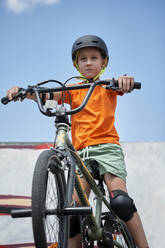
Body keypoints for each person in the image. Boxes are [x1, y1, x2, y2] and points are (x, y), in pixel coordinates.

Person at [6, 35, 149, 248]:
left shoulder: (107, 86)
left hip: (107, 148)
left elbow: (123, 85)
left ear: (104, 63)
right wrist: (25, 92)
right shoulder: (73, 89)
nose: (89, 62)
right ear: (76, 64)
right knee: (71, 212)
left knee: (121, 202)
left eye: (94, 58)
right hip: (80, 154)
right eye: (83, 59)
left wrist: (124, 81)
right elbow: (49, 95)